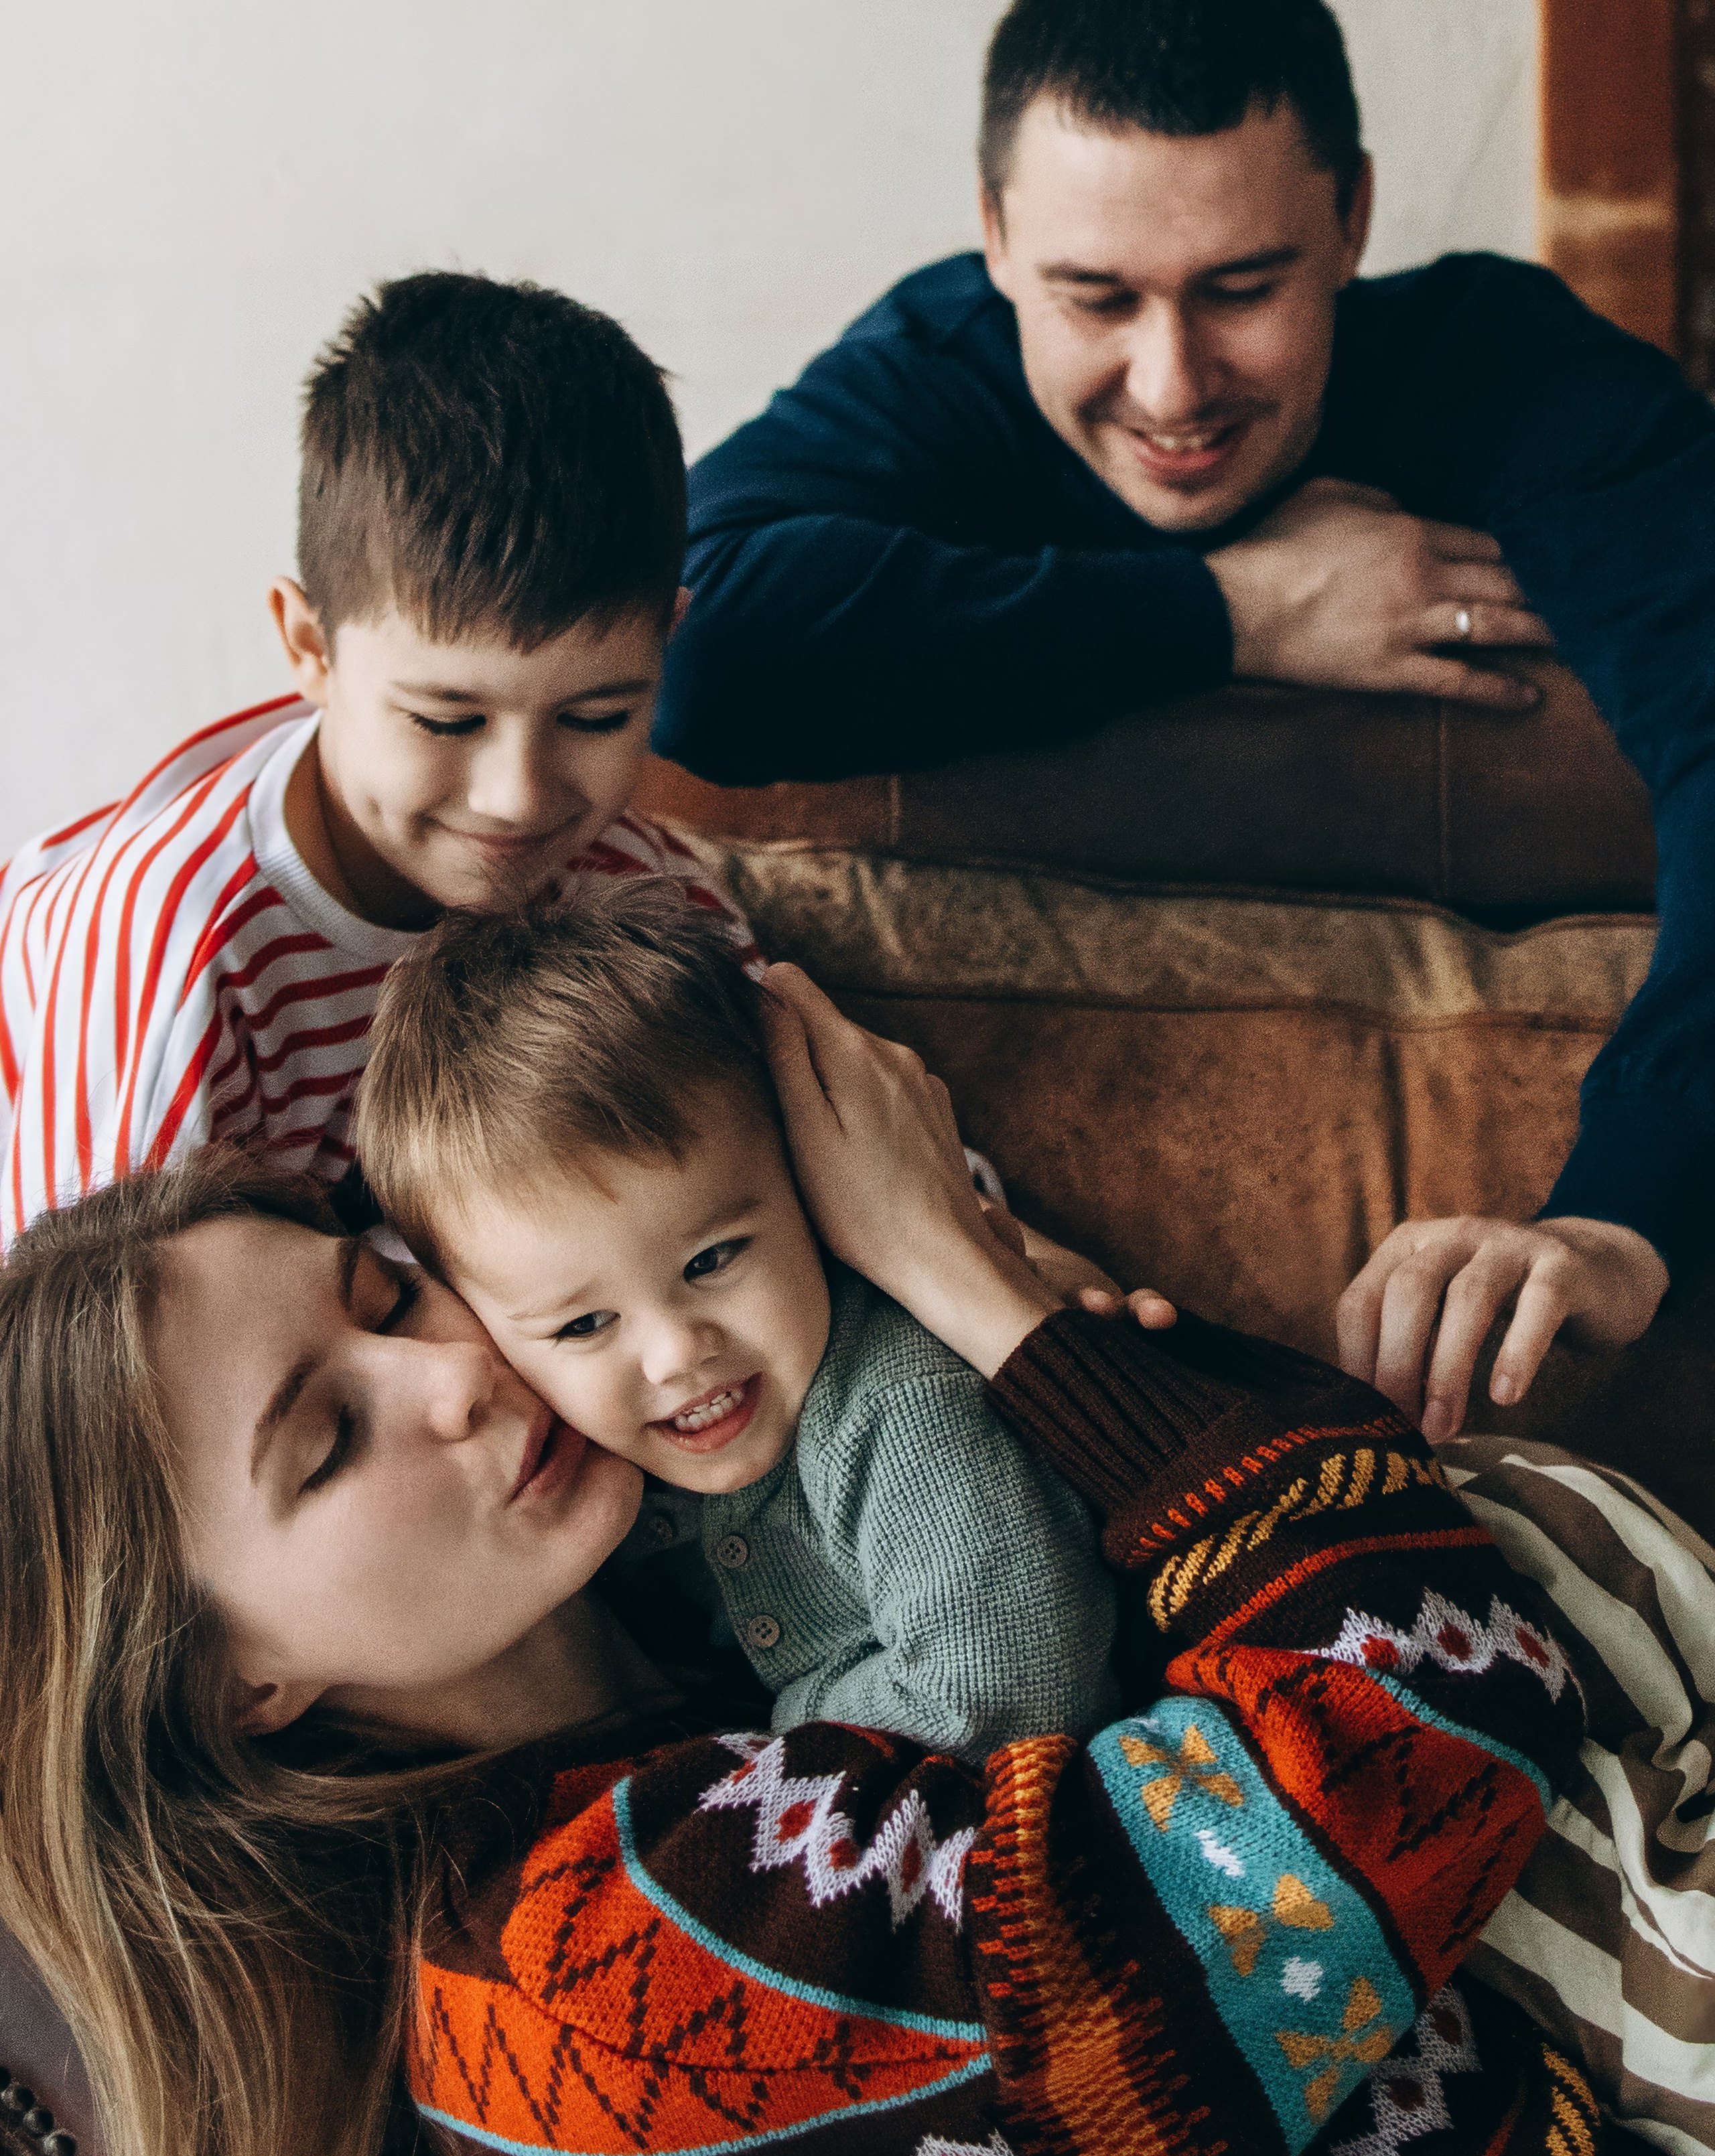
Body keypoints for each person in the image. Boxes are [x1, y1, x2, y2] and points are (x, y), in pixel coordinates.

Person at [0, 962, 1617, 2156]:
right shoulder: (596, 1979)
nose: (455, 1376)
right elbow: (1435, 1713)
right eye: (328, 1441)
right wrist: (964, 1279)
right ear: (241, 1690)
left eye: (389, 1294)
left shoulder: (711, 1603)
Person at [657, 0, 1707, 1449]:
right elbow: (698, 648)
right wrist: (1230, 613)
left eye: (1239, 288)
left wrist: (1623, 1216)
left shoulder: (1504, 367)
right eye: (1094, 298)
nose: (1170, 386)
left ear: (1348, 218)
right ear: (995, 237)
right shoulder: (939, 367)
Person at [0, 268, 754, 1246]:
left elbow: (838, 1157)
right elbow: (76, 1373)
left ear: (666, 643)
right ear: (310, 648)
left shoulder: (631, 890)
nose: (519, 797)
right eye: (446, 721)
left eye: (597, 718)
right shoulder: (172, 952)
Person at [355, 885, 1118, 1755]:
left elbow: (1010, 1693)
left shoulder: (896, 1410)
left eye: (711, 1260)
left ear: (807, 1183)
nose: (677, 1350)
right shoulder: (602, 1477)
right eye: (582, 1325)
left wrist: (774, 1736)